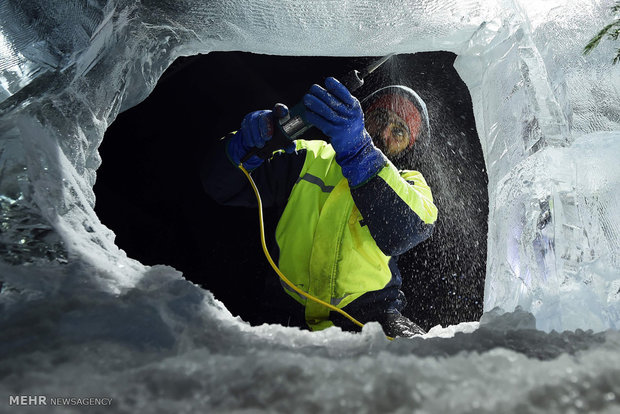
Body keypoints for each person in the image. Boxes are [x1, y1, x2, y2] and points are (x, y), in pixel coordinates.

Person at [202, 77, 437, 337]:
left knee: (420, 364)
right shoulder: (309, 155)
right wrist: (243, 147)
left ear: (408, 147)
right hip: (284, 314)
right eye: (380, 117)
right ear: (363, 116)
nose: (384, 133)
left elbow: (404, 231)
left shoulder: (410, 182)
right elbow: (220, 187)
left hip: (371, 320)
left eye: (399, 130)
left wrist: (360, 152)